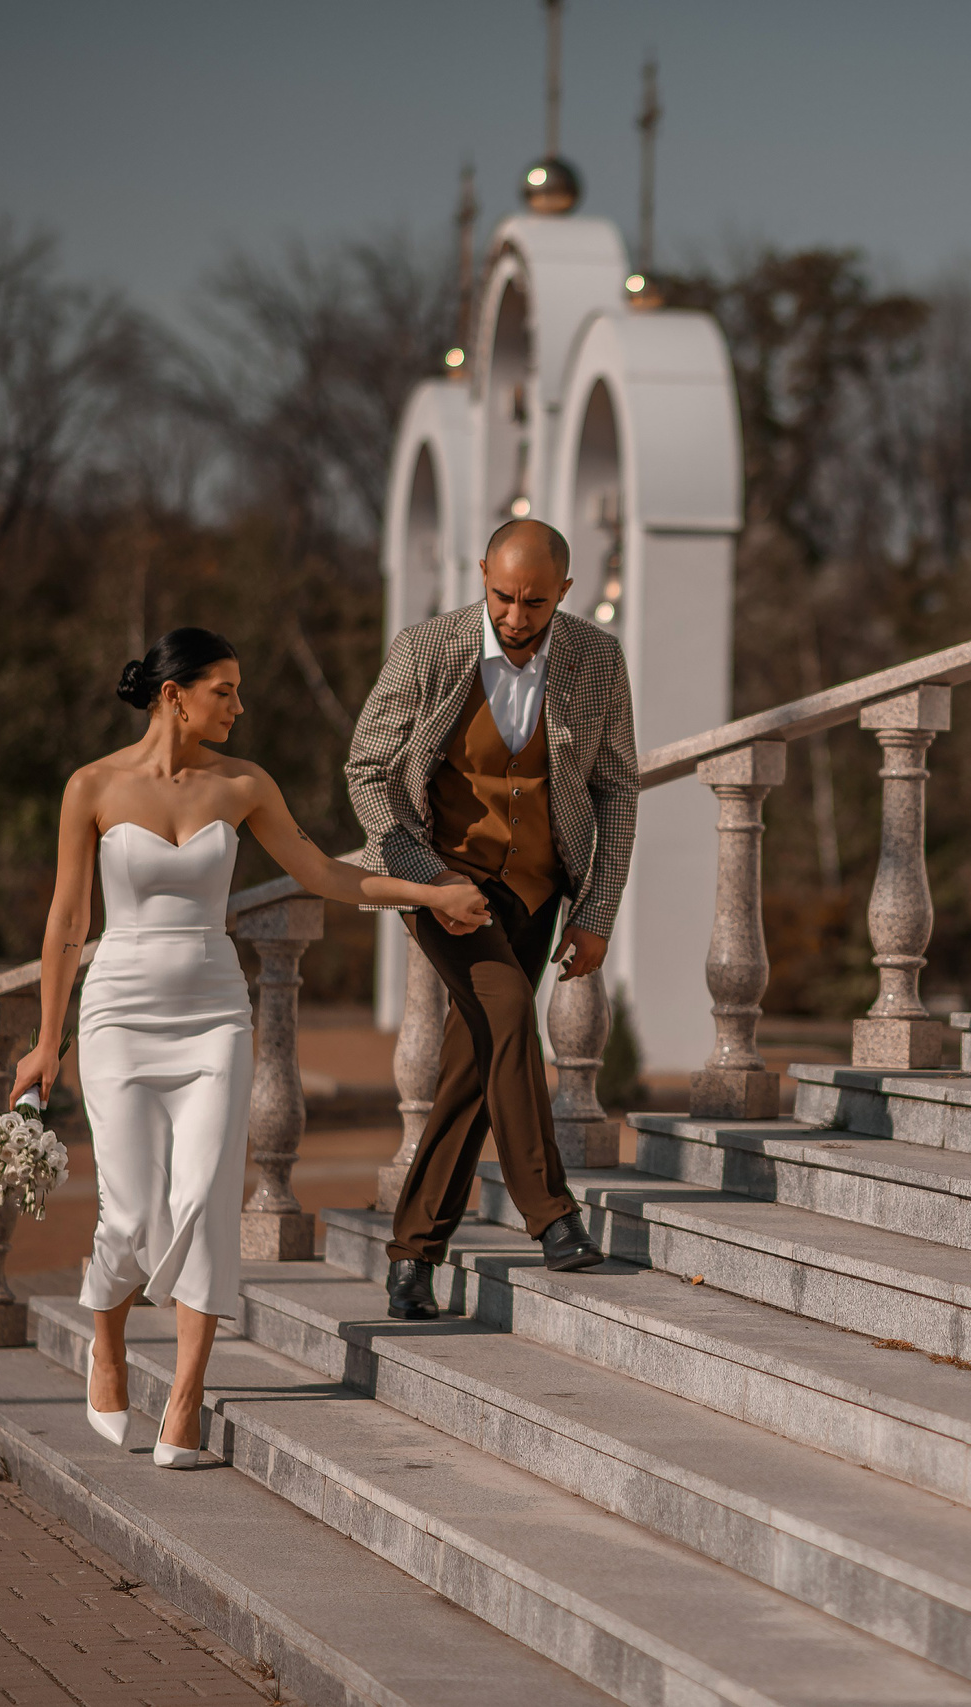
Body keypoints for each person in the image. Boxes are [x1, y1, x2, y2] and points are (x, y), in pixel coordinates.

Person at [10, 627, 490, 1466]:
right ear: (174, 695)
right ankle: (108, 1347)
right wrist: (47, 1041)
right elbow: (67, 921)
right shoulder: (91, 786)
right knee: (129, 1207)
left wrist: (430, 893)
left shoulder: (244, 784)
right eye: (223, 690)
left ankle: (185, 1400)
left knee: (205, 1196)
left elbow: (324, 874)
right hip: (118, 1013)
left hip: (214, 1013)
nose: (239, 705)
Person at [346, 517, 638, 1319]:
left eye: (535, 602)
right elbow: (366, 771)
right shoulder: (426, 649)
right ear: (482, 573)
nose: (515, 616)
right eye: (503, 596)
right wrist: (430, 880)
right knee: (507, 1013)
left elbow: (616, 788)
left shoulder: (597, 658)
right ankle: (552, 1215)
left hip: (539, 888)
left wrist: (597, 909)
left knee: (475, 1063)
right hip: (442, 880)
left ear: (565, 591)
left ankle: (412, 1259)